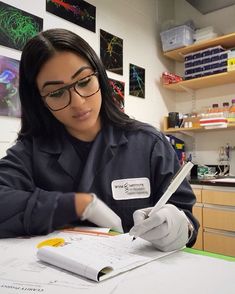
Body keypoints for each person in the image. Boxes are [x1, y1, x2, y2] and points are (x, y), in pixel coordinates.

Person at [0, 28, 199, 252]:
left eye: (84, 81)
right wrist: (77, 205)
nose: (77, 102)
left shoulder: (149, 143)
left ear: (99, 76)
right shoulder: (30, 151)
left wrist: (182, 227)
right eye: (56, 93)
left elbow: (186, 217)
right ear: (40, 101)